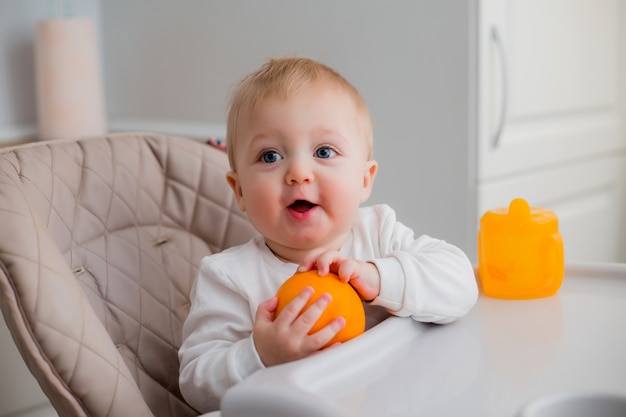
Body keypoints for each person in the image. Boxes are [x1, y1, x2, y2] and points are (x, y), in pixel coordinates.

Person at [178, 57, 478, 412]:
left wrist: (380, 277)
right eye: (270, 155)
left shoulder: (379, 234)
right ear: (239, 190)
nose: (298, 172)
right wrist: (259, 355)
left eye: (324, 151)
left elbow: (460, 285)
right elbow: (196, 385)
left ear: (364, 180)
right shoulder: (229, 276)